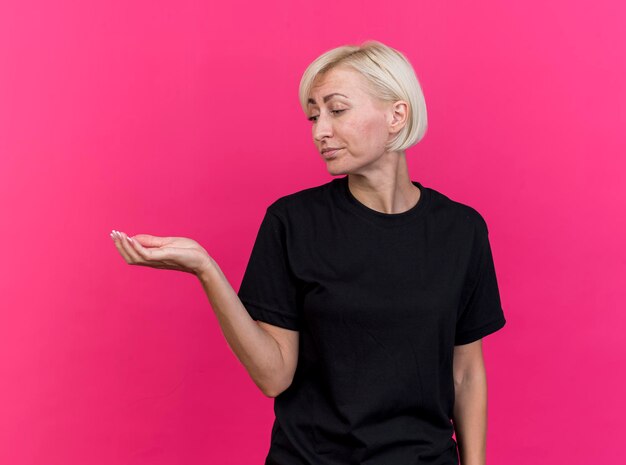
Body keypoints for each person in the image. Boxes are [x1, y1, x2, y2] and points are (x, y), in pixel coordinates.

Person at [110, 40, 506, 465]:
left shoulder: (461, 230)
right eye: (313, 116)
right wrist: (207, 271)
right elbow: (274, 376)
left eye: (336, 110)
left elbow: (465, 373)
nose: (320, 131)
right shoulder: (293, 222)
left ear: (396, 115)